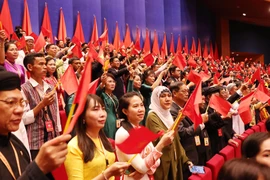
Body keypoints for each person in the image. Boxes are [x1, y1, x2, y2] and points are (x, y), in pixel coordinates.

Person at [0, 67, 71, 179]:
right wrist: (38, 168)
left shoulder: (15, 142)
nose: (19, 110)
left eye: (21, 102)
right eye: (10, 102)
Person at [65, 94, 130, 179]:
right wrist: (108, 173)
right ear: (83, 115)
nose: (102, 114)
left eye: (103, 109)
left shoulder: (104, 140)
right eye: (95, 109)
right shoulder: (74, 147)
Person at [115, 92, 175, 180]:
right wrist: (161, 144)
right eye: (135, 106)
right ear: (125, 111)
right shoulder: (123, 133)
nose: (141, 109)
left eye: (142, 105)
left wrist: (144, 168)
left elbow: (157, 161)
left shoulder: (140, 130)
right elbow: (142, 166)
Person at [21, 53, 62, 161]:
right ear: (30, 67)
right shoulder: (23, 89)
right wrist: (42, 105)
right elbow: (23, 119)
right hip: (35, 142)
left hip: (52, 139)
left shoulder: (51, 87)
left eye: (45, 64)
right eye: (41, 64)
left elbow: (56, 114)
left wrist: (58, 135)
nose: (45, 67)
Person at [146, 86, 191, 180]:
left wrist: (185, 159)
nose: (167, 99)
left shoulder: (169, 114)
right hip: (162, 163)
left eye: (169, 96)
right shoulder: (152, 116)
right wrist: (178, 121)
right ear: (156, 99)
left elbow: (176, 140)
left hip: (174, 160)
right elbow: (165, 139)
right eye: (162, 96)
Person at [96, 73, 119, 139]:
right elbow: (97, 92)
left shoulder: (114, 96)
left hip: (115, 121)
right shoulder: (102, 95)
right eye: (109, 81)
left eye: (113, 82)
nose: (112, 84)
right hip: (106, 122)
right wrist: (102, 83)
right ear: (105, 84)